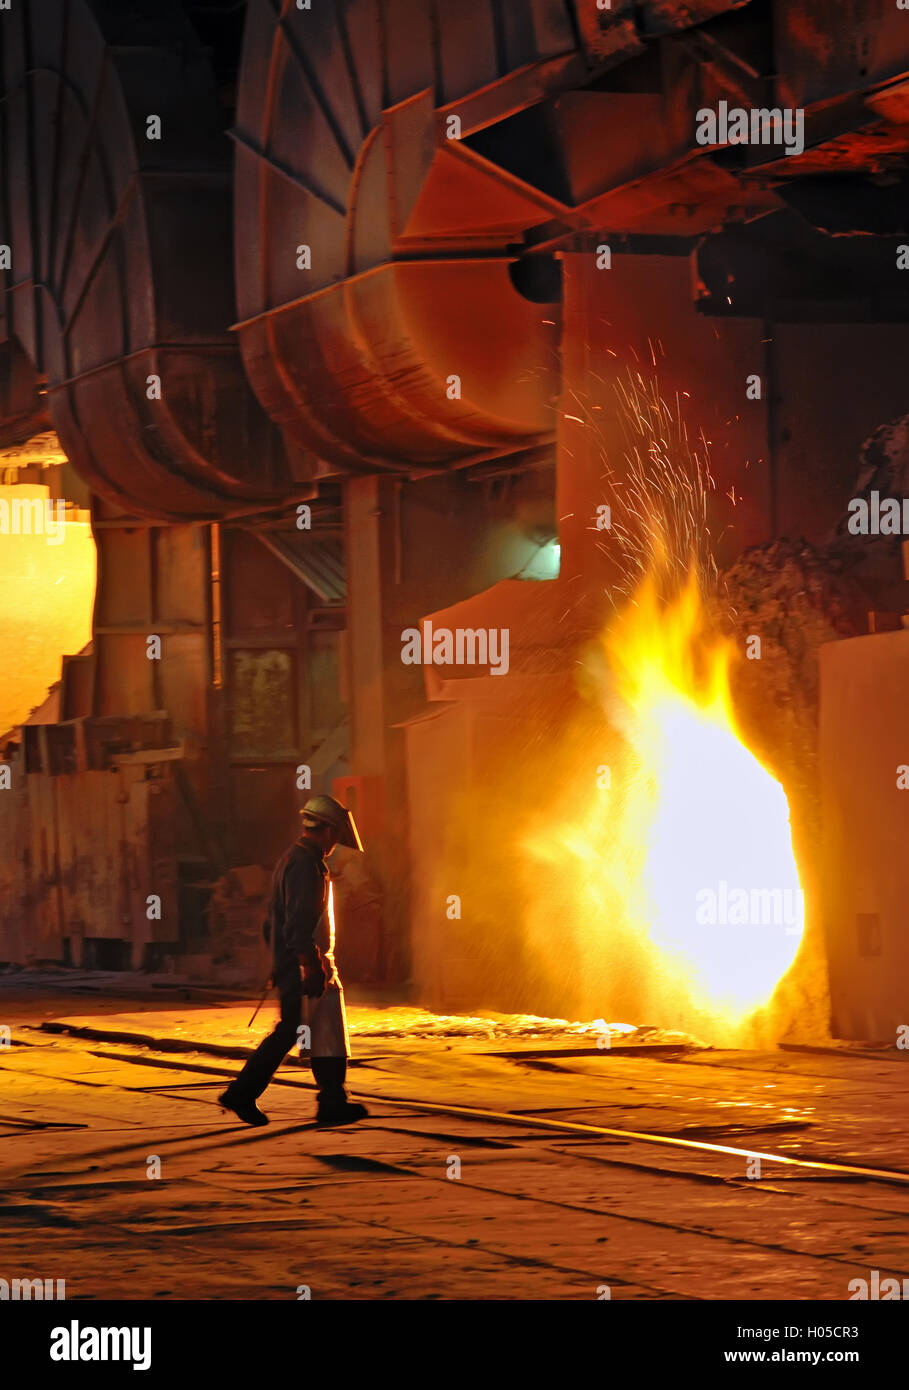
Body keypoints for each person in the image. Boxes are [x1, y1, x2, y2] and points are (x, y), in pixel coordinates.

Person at [219, 795, 369, 1127]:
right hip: (305, 963)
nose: (335, 845)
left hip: (302, 962)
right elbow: (297, 924)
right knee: (294, 1028)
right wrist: (310, 965)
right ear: (327, 831)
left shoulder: (295, 857)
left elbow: (274, 922)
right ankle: (243, 1093)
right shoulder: (305, 865)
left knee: (325, 1030)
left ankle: (331, 1100)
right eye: (335, 837)